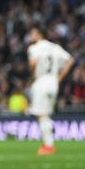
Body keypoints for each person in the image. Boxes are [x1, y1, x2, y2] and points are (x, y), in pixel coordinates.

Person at [26, 26, 74, 155]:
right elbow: (70, 61)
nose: (31, 36)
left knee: (42, 115)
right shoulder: (55, 47)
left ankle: (48, 145)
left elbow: (33, 63)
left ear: (39, 34)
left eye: (33, 33)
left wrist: (32, 77)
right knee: (46, 114)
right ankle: (48, 140)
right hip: (53, 82)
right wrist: (59, 77)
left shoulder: (34, 48)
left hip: (41, 81)